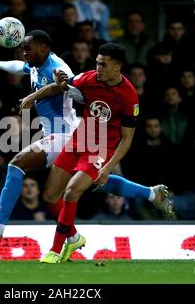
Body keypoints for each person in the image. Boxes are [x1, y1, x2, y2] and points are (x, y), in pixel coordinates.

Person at [0, 31, 172, 245]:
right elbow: (20, 67)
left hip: (66, 133)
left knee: (18, 163)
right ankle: (149, 194)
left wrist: (37, 95)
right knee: (88, 182)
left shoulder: (58, 68)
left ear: (43, 48)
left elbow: (76, 92)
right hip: (62, 132)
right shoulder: (35, 64)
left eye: (28, 48)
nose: (24, 53)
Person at [31, 43, 141, 263]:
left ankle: (54, 250)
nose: (97, 67)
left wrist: (108, 167)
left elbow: (127, 138)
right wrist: (36, 95)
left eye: (103, 64)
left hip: (102, 149)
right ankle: (73, 237)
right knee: (50, 195)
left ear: (117, 66)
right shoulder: (88, 78)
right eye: (97, 62)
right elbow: (61, 86)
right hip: (79, 140)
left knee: (71, 192)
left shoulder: (128, 95)